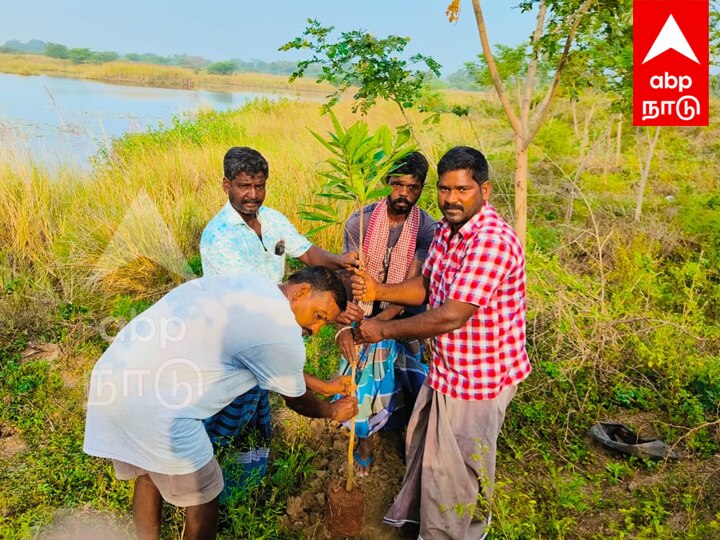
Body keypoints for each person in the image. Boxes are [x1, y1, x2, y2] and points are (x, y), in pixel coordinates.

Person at [83, 267, 359, 540]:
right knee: (205, 496)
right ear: (302, 291)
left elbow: (266, 360)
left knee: (148, 474)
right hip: (158, 411)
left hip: (116, 378)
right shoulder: (281, 329)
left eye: (324, 324)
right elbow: (297, 401)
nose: (315, 328)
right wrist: (333, 410)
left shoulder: (249, 286)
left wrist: (325, 386)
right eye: (319, 316)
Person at [352, 146, 531, 539]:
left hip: (478, 380)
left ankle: (453, 533)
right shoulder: (449, 233)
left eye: (462, 190)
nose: (451, 199)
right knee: (425, 451)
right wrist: (380, 288)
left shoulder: (490, 240)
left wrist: (382, 330)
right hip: (448, 371)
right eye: (444, 189)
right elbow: (428, 285)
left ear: (484, 190)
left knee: (455, 473)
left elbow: (451, 314)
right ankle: (426, 526)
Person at [199, 146, 361, 499]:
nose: (252, 195)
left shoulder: (271, 220)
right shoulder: (219, 238)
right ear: (226, 184)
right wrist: (326, 317)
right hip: (235, 342)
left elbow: (306, 252)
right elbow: (260, 303)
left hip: (272, 330)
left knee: (254, 417)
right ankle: (207, 494)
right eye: (244, 186)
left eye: (259, 186)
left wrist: (339, 262)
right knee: (221, 424)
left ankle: (243, 492)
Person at [334, 151, 436, 476]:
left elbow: (413, 286)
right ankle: (365, 437)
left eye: (413, 187)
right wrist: (349, 323)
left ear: (422, 189)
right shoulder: (359, 221)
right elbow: (348, 278)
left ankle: (402, 437)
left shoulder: (427, 229)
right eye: (397, 184)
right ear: (385, 183)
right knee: (361, 382)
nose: (403, 194)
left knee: (406, 380)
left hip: (405, 314)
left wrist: (380, 325)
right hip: (362, 312)